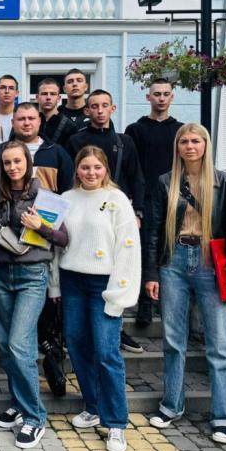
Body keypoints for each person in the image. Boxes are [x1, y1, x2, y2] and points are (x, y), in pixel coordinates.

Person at [145, 123, 226, 444]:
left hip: (210, 263)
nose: (190, 146)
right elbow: (154, 230)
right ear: (177, 147)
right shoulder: (166, 182)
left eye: (195, 141)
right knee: (173, 340)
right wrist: (151, 273)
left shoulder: (224, 182)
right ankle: (171, 405)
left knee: (220, 345)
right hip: (174, 262)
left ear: (206, 145)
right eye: (184, 141)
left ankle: (224, 416)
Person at [58, 146, 141, 451]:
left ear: (105, 169)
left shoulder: (117, 200)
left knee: (107, 352)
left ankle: (116, 422)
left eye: (96, 167)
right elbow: (56, 245)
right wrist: (54, 287)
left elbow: (128, 248)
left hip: (103, 283)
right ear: (77, 170)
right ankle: (93, 406)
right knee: (77, 344)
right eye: (85, 167)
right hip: (72, 281)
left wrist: (120, 294)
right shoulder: (66, 199)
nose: (91, 172)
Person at [0, 141, 68, 449]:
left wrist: (41, 225)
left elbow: (63, 239)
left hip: (31, 276)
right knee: (6, 345)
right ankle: (19, 402)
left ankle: (35, 417)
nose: (12, 167)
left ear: (28, 163)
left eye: (17, 161)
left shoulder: (45, 197)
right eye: (7, 162)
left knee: (20, 344)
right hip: (0, 275)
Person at [66, 89, 146, 354]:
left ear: (113, 108)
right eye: (94, 106)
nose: (99, 110)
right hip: (85, 215)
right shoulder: (76, 140)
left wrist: (138, 212)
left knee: (119, 265)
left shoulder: (124, 142)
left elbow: (136, 177)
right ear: (86, 110)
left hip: (116, 212)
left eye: (104, 105)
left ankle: (116, 330)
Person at [125, 78, 184, 328]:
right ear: (148, 97)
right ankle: (144, 304)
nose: (161, 98)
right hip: (146, 197)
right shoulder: (135, 130)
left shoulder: (181, 131)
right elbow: (131, 167)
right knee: (144, 249)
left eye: (166, 94)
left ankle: (167, 301)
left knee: (169, 248)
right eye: (156, 94)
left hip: (174, 198)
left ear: (172, 97)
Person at [36, 78, 78, 149]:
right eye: (44, 94)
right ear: (37, 97)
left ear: (58, 98)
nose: (48, 97)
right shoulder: (30, 123)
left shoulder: (69, 126)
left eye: (52, 94)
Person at [0, 75, 19, 145]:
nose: (7, 91)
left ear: (17, 93)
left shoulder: (21, 117)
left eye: (11, 88)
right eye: (3, 87)